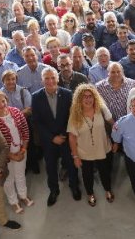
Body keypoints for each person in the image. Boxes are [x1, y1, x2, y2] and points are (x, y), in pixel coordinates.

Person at [32, 68, 81, 206]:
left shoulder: (67, 94)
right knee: (51, 167)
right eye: (46, 78)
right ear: (42, 80)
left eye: (53, 77)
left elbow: (72, 117)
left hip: (66, 138)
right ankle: (54, 190)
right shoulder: (36, 97)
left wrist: (64, 135)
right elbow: (37, 121)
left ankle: (74, 186)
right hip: (49, 141)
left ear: (57, 78)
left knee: (71, 164)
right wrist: (52, 138)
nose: (50, 81)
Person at [67, 84, 115, 207]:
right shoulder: (75, 114)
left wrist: (116, 141)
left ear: (94, 97)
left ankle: (108, 190)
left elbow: (113, 124)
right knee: (87, 175)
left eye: (90, 96)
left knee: (105, 172)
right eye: (84, 97)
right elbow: (72, 137)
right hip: (84, 151)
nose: (88, 99)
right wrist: (75, 157)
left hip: (103, 148)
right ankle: (90, 194)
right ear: (79, 99)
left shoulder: (101, 108)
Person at [0, 90, 32, 215]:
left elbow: (25, 130)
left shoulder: (16, 111)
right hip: (4, 156)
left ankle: (23, 196)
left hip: (21, 150)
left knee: (20, 174)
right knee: (8, 179)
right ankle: (13, 201)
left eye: (3, 101)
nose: (2, 104)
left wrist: (23, 149)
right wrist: (10, 155)